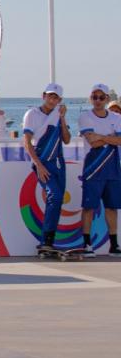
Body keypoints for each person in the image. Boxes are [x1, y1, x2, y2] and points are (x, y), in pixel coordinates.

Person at [23, 83, 72, 256]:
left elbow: (66, 139)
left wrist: (63, 118)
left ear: (60, 100)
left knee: (57, 200)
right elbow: (27, 141)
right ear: (44, 96)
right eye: (50, 96)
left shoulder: (58, 115)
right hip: (43, 161)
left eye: (56, 97)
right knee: (55, 195)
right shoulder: (32, 114)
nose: (52, 100)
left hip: (58, 163)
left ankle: (49, 241)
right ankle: (46, 240)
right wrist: (38, 165)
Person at [77, 83, 121, 257]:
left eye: (101, 97)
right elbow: (92, 142)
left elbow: (119, 141)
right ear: (90, 98)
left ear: (107, 99)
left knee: (112, 207)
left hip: (112, 168)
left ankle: (114, 245)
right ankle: (87, 244)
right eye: (94, 97)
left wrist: (101, 137)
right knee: (89, 207)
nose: (98, 100)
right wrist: (110, 137)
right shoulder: (85, 117)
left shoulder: (116, 117)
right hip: (93, 168)